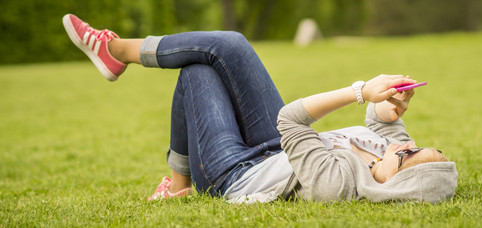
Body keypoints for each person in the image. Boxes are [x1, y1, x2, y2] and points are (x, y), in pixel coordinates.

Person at [62, 14, 458, 204]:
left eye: (406, 156)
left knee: (199, 71)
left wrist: (358, 91)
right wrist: (392, 107)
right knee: (226, 46)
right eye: (412, 147)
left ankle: (116, 51)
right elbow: (383, 126)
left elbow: (291, 119)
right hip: (275, 147)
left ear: (396, 185)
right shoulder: (388, 155)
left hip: (237, 172)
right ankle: (177, 187)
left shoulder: (340, 186)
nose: (402, 146)